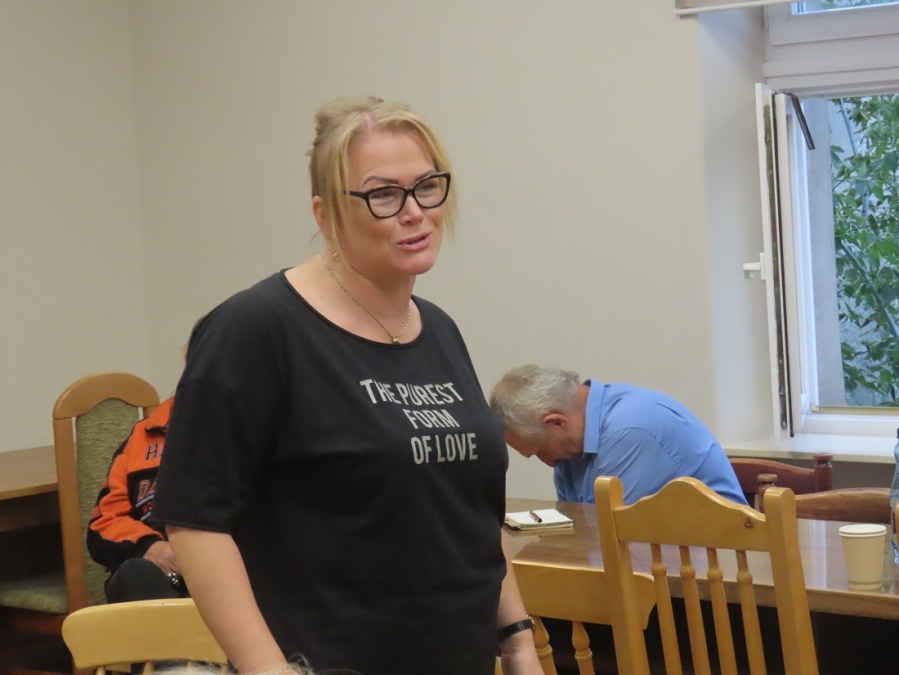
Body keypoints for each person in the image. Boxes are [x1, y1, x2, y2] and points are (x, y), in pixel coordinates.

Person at [152, 96, 542, 675]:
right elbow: (195, 523)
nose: (415, 212)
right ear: (325, 213)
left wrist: (517, 640)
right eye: (384, 195)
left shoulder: (438, 329)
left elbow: (472, 514)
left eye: (427, 187)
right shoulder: (256, 329)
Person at [489, 364, 748, 506]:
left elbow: (615, 537)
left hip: (721, 571)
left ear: (556, 423)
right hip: (663, 567)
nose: (548, 463)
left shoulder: (630, 428)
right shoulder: (572, 446)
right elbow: (577, 534)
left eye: (540, 452)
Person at [87, 396, 188, 602]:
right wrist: (148, 546)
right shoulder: (142, 435)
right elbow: (103, 524)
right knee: (135, 573)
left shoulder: (242, 431)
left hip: (227, 572)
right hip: (152, 575)